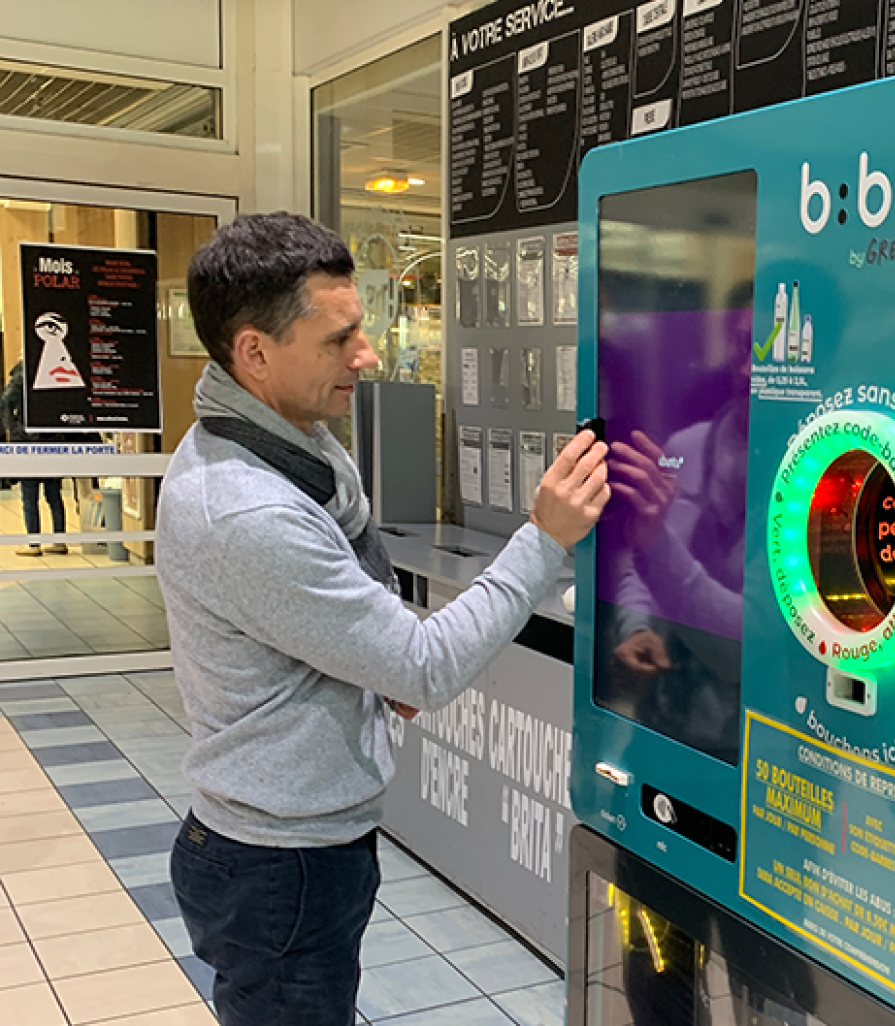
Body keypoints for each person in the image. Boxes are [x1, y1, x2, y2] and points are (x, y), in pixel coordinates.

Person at [156, 212, 609, 1026]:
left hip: (293, 849)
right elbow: (423, 668)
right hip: (278, 871)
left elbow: (358, 585)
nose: (367, 356)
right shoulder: (247, 509)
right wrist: (544, 539)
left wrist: (375, 655)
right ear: (254, 353)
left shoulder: (287, 441)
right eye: (338, 339)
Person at [1, 360, 70, 555]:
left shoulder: (23, 371)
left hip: (31, 443)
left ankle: (34, 544)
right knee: (53, 494)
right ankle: (59, 541)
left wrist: (15, 431)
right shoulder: (55, 369)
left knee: (30, 495)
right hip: (52, 440)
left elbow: (6, 402)